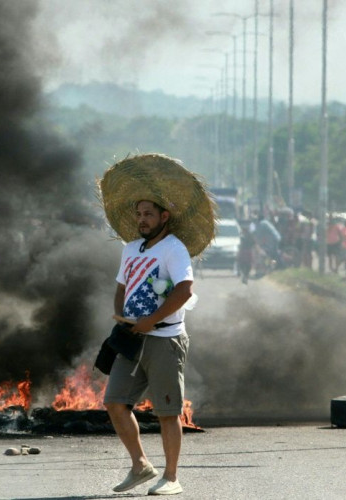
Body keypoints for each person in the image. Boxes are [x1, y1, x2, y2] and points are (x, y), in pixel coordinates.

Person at [98, 154, 215, 496]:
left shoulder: (174, 249)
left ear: (164, 216)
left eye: (148, 213)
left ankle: (172, 477)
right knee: (115, 402)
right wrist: (122, 317)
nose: (142, 219)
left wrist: (151, 320)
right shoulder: (131, 249)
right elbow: (121, 287)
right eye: (138, 214)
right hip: (132, 340)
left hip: (166, 340)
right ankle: (140, 466)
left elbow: (185, 290)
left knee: (168, 412)